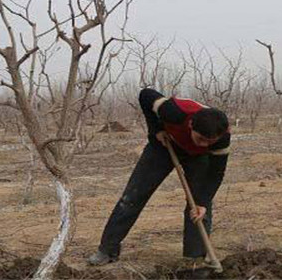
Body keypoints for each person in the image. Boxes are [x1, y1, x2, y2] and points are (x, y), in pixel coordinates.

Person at [88, 88, 231, 266]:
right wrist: (155, 130)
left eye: (210, 142)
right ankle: (107, 250)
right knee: (132, 196)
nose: (205, 144)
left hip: (198, 158)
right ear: (191, 125)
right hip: (164, 146)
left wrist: (202, 201)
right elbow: (145, 94)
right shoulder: (174, 112)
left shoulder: (221, 138)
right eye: (201, 139)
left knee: (199, 208)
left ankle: (194, 259)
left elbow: (216, 173)